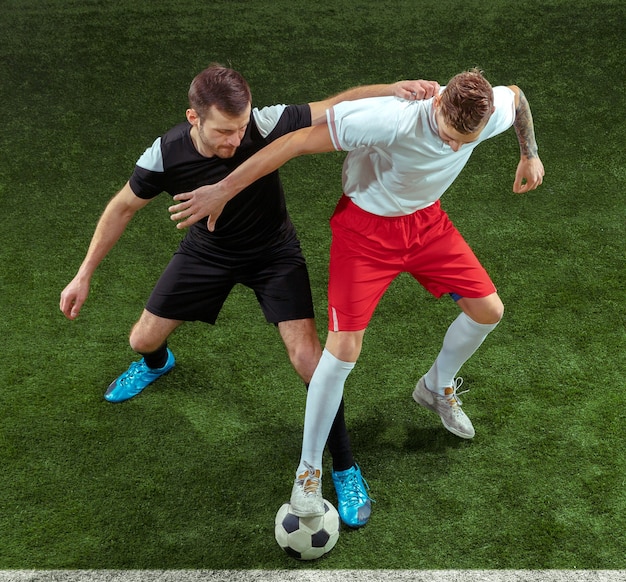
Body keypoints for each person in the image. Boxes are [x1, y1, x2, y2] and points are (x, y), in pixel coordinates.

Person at [59, 63, 437, 527]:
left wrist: (389, 89)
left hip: (274, 254)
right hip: (207, 254)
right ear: (194, 118)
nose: (235, 142)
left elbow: (332, 106)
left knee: (309, 361)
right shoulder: (166, 154)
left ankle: (344, 465)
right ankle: (159, 364)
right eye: (223, 132)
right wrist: (83, 275)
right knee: (141, 341)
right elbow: (121, 209)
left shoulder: (261, 123)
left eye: (240, 129)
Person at [167, 68, 545, 516]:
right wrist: (223, 190)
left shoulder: (488, 110)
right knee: (343, 351)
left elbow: (518, 98)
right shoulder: (387, 118)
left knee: (488, 311)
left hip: (427, 225)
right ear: (438, 106)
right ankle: (308, 472)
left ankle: (436, 386)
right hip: (364, 232)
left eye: (468, 141)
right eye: (449, 137)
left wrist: (529, 154)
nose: (455, 147)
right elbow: (295, 142)